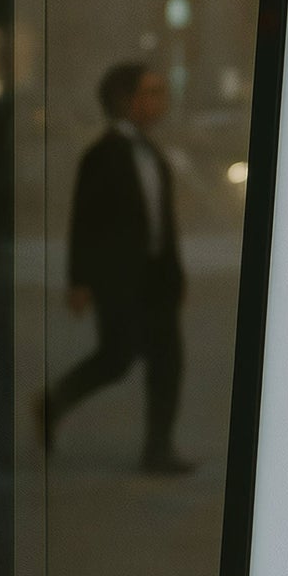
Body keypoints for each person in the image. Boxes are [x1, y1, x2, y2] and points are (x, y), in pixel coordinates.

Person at [38, 64, 193, 474]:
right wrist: (79, 280)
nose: (161, 100)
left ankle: (158, 450)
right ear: (125, 99)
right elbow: (84, 220)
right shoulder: (103, 154)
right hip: (120, 278)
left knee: (167, 360)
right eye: (152, 91)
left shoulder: (152, 152)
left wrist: (175, 272)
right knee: (117, 357)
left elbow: (163, 221)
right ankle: (53, 402)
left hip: (157, 277)